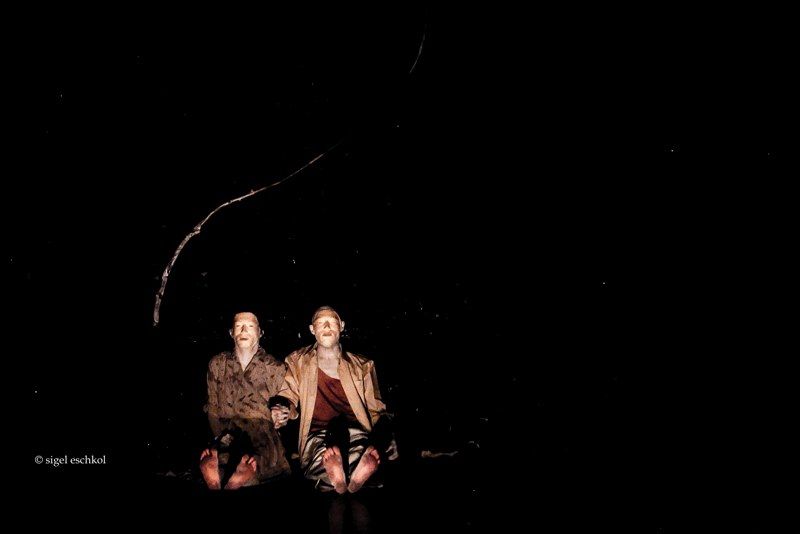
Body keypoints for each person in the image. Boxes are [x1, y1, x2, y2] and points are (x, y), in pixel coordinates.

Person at [270, 306, 398, 494]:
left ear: (342, 326)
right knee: (320, 455)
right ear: (312, 329)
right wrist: (283, 409)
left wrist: (386, 434)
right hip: (317, 432)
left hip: (354, 429)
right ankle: (352, 473)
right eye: (321, 323)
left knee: (353, 450)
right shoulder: (297, 361)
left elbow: (375, 408)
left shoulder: (363, 365)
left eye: (332, 322)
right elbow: (288, 394)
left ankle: (335, 477)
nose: (327, 327)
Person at [199, 311, 291, 490]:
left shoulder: (276, 367)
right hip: (227, 429)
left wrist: (283, 412)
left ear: (260, 332)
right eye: (239, 326)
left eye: (250, 326)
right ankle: (219, 472)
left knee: (261, 455)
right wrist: (217, 438)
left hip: (261, 429)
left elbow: (288, 401)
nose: (243, 330)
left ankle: (234, 474)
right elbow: (213, 408)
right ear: (231, 332)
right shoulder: (218, 363)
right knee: (224, 451)